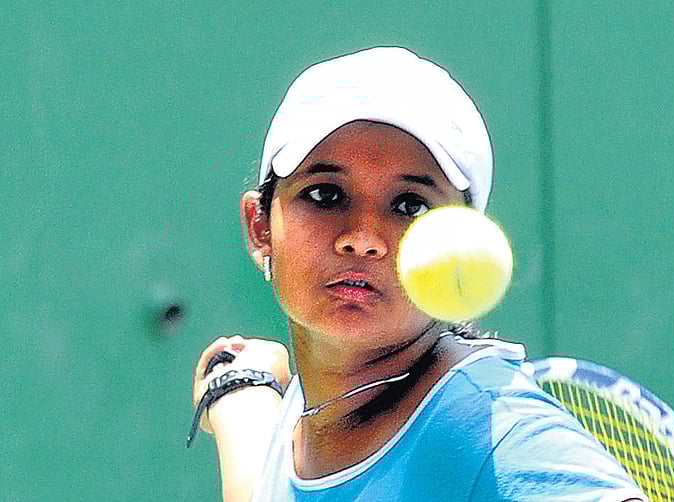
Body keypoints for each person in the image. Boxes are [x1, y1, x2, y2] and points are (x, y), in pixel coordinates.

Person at [191, 47, 649, 502]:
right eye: (325, 194)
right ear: (259, 227)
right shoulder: (308, 416)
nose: (363, 237)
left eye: (410, 205)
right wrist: (242, 399)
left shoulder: (495, 431)